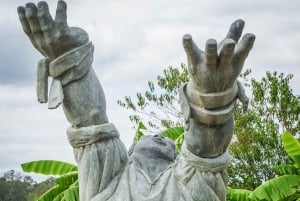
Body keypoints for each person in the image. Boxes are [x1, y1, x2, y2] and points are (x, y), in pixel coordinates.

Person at [17, 1, 255, 201]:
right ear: (128, 156)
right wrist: (69, 61)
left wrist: (210, 100)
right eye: (150, 137)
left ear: (176, 161)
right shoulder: (109, 179)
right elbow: (91, 123)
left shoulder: (185, 185)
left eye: (161, 138)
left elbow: (204, 153)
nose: (159, 135)